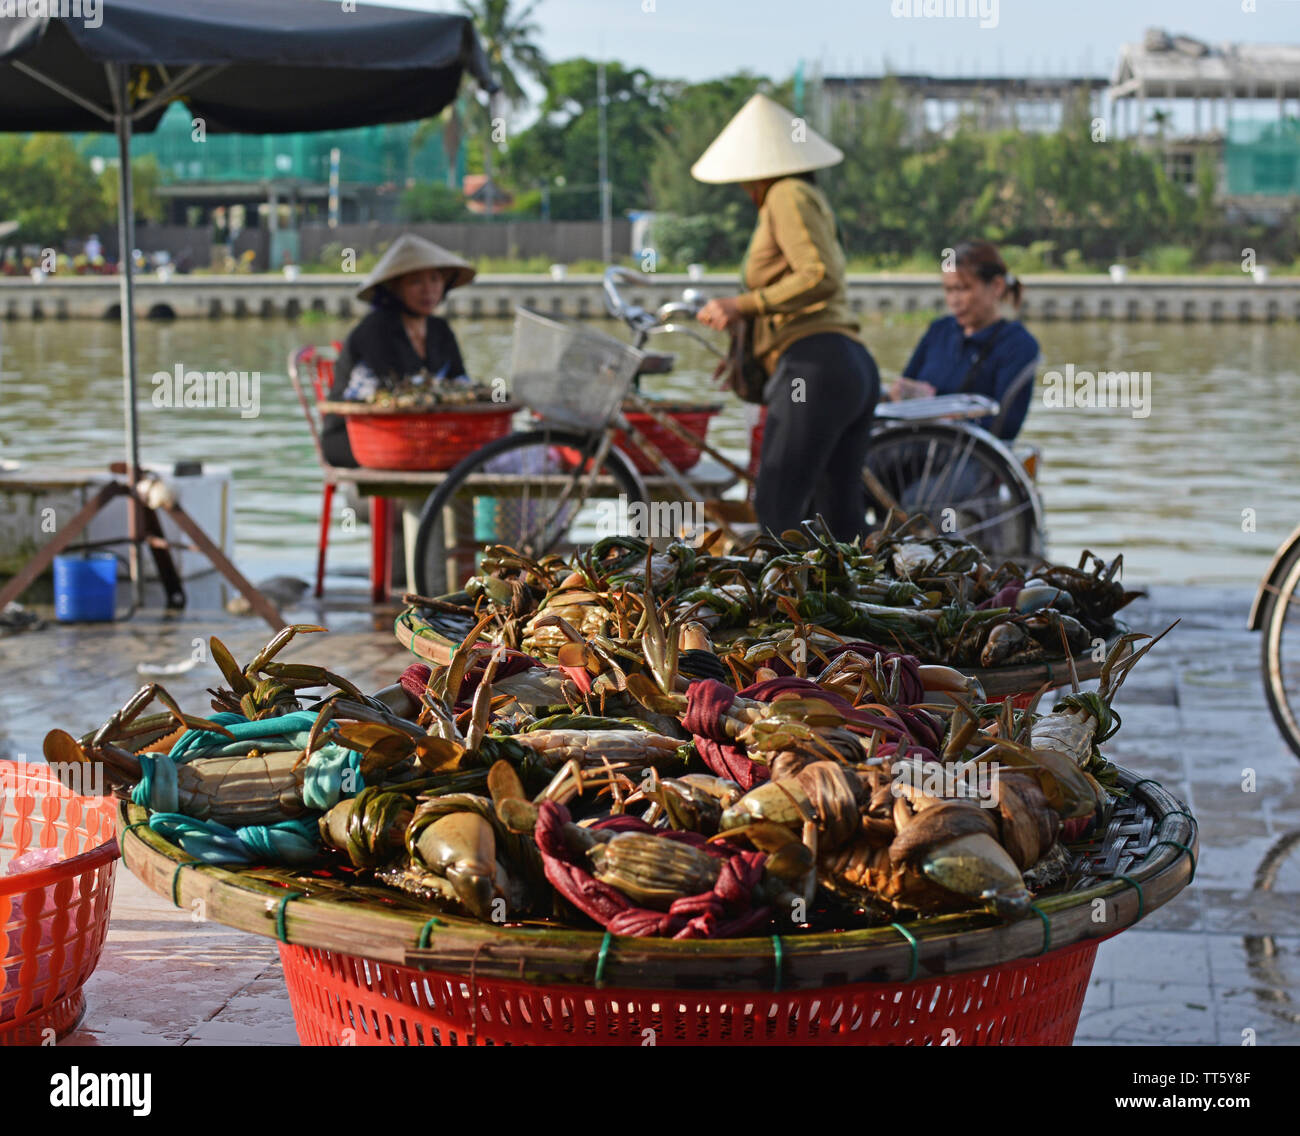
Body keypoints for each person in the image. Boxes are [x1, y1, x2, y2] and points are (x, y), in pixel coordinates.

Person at [691, 93, 879, 542]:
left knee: (775, 505)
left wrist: (742, 306)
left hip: (815, 367)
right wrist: (748, 338)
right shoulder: (801, 196)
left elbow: (819, 276)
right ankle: (862, 606)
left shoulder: (786, 193)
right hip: (844, 367)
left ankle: (785, 611)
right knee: (841, 520)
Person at [321, 234, 476, 467]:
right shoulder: (375, 329)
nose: (428, 290)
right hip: (356, 436)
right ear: (394, 288)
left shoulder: (439, 329)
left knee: (482, 451)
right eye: (415, 282)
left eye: (435, 279)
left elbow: (460, 380)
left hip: (420, 434)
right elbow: (394, 392)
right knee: (449, 457)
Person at [895, 240, 1040, 441]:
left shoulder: (1018, 344)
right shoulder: (939, 330)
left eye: (963, 289)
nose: (954, 300)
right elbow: (906, 385)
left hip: (966, 455)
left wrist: (942, 416)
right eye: (948, 290)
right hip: (913, 447)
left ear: (996, 286)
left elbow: (1006, 425)